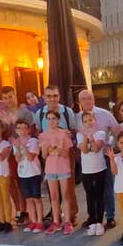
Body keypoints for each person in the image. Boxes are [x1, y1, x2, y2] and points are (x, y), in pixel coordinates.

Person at [77, 89, 119, 229]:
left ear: (93, 99)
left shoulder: (104, 114)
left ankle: (110, 216)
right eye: (83, 99)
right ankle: (93, 217)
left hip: (104, 155)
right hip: (87, 160)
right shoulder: (77, 117)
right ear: (80, 102)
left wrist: (112, 146)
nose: (86, 101)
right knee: (90, 191)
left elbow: (117, 130)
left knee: (106, 187)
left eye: (89, 98)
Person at [37, 85, 78, 224]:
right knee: (52, 186)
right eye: (49, 96)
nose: (52, 99)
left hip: (65, 152)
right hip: (49, 155)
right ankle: (56, 215)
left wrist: (68, 135)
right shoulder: (40, 113)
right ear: (44, 98)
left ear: (59, 96)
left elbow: (74, 131)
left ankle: (71, 215)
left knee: (69, 185)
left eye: (55, 95)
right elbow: (39, 131)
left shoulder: (67, 112)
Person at [0, 86, 33, 223]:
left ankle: (26, 210)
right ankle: (19, 209)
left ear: (15, 96)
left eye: (11, 96)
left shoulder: (25, 112)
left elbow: (32, 130)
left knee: (22, 181)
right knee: (11, 182)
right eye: (5, 98)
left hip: (23, 151)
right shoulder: (2, 114)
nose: (9, 100)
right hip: (8, 152)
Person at [40, 108, 74, 235]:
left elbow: (66, 154)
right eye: (48, 119)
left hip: (63, 168)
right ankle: (56, 220)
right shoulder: (43, 135)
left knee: (65, 195)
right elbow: (43, 155)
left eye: (54, 118)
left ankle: (67, 221)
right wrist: (47, 148)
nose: (51, 121)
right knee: (53, 196)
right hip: (50, 168)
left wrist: (58, 149)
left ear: (58, 120)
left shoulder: (64, 134)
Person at [77, 111, 107, 236]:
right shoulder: (79, 135)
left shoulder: (101, 133)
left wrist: (92, 138)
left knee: (100, 195)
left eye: (90, 120)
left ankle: (100, 222)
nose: (88, 123)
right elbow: (83, 150)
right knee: (90, 196)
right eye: (85, 121)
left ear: (95, 120)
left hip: (100, 168)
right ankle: (92, 221)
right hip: (86, 170)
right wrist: (85, 137)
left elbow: (96, 149)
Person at [13, 119, 44, 233]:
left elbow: (31, 157)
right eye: (19, 128)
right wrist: (17, 148)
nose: (22, 130)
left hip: (34, 173)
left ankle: (40, 221)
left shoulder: (33, 141)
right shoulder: (16, 142)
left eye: (24, 128)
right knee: (28, 199)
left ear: (29, 129)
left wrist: (23, 146)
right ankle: (33, 220)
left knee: (36, 198)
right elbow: (18, 159)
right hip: (22, 173)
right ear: (16, 130)